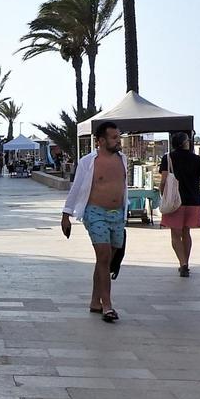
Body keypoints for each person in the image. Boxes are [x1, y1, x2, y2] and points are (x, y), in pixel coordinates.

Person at [61, 121, 128, 323]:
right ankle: (107, 305)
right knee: (104, 256)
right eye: (114, 138)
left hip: (117, 215)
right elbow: (76, 188)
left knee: (105, 260)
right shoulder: (88, 162)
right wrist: (66, 214)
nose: (118, 141)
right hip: (94, 212)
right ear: (101, 141)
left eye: (119, 137)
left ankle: (94, 301)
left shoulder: (122, 159)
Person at [159, 132, 200, 277]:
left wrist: (162, 194)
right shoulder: (197, 159)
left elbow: (164, 180)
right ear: (186, 143)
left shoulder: (168, 158)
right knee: (186, 232)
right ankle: (186, 263)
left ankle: (182, 263)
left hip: (175, 201)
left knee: (175, 234)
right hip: (193, 201)